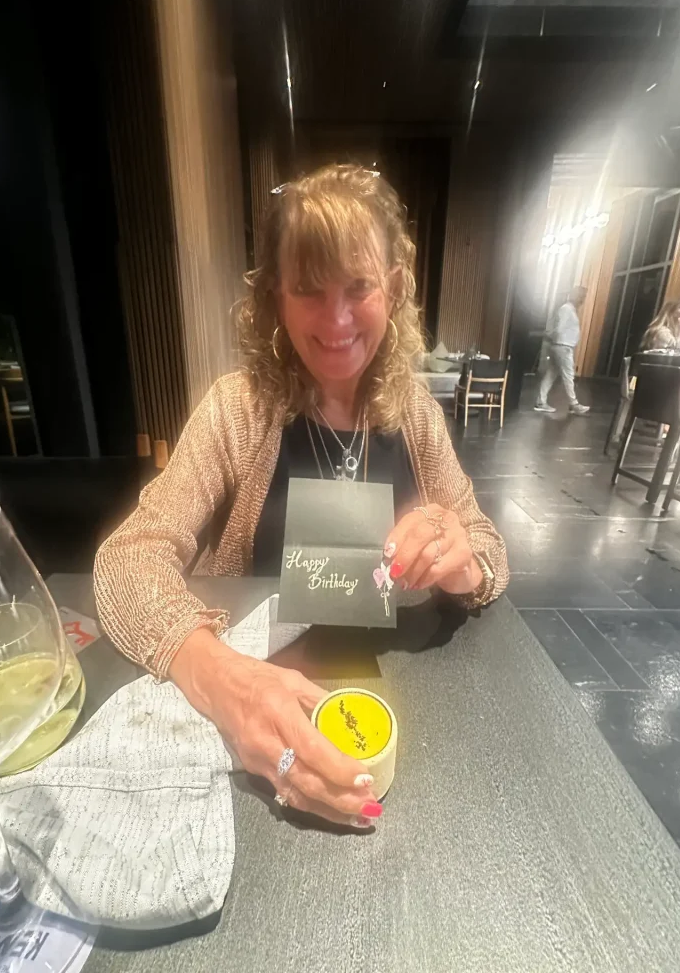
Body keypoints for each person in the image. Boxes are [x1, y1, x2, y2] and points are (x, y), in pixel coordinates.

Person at [94, 164, 508, 829]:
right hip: (251, 726)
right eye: (309, 290)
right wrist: (216, 674)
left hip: (406, 712)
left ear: (393, 287)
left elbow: (486, 545)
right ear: (275, 301)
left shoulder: (416, 413)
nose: (337, 318)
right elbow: (126, 558)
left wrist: (466, 564)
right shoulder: (238, 409)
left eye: (359, 286)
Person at [534, 286, 590, 415]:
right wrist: (551, 336)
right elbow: (559, 329)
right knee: (568, 375)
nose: (583, 300)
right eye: (583, 297)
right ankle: (573, 404)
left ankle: (541, 401)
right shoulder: (567, 309)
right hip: (563, 347)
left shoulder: (569, 309)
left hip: (561, 346)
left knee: (552, 373)